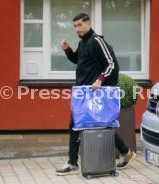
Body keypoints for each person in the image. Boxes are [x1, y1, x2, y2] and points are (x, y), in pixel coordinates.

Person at [56, 13, 136, 176]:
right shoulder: (83, 42)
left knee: (79, 124)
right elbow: (78, 60)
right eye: (75, 26)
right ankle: (126, 152)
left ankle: (72, 162)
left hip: (95, 92)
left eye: (79, 25)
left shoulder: (97, 40)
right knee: (94, 124)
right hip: (83, 92)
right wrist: (68, 50)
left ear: (87, 24)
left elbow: (111, 64)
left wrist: (99, 80)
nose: (77, 29)